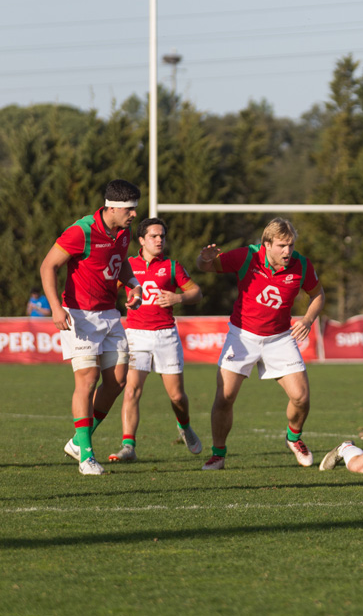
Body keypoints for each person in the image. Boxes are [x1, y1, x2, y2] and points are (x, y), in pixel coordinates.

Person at [196, 217, 325, 470]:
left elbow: (318, 294)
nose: (288, 251)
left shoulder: (301, 264)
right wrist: (205, 258)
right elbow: (205, 267)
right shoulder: (247, 256)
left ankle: (294, 438)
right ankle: (218, 454)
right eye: (281, 246)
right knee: (224, 397)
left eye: (290, 245)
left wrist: (308, 319)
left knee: (301, 397)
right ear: (266, 244)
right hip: (242, 335)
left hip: (280, 338)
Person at [39, 179, 143, 475]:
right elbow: (48, 266)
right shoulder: (81, 231)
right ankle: (86, 455)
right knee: (87, 379)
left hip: (110, 314)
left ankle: (76, 440)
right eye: (130, 209)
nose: (134, 214)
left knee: (117, 381)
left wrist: (132, 285)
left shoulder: (123, 231)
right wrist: (55, 308)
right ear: (112, 208)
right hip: (79, 315)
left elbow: (120, 262)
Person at [107, 218, 204, 462]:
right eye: (154, 236)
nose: (159, 240)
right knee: (131, 390)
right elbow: (110, 290)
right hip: (136, 335)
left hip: (165, 336)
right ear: (141, 240)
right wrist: (125, 302)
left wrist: (178, 298)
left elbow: (196, 292)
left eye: (162, 236)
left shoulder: (172, 266)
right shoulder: (128, 265)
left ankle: (184, 426)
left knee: (177, 397)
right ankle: (128, 446)